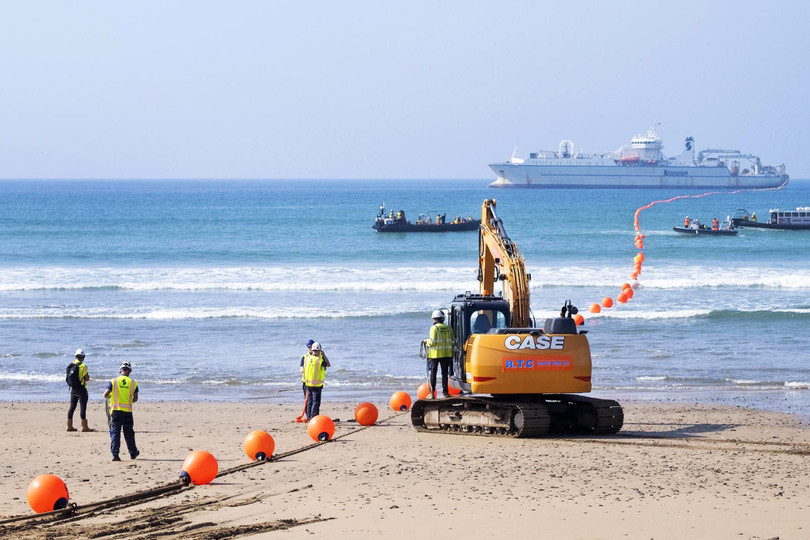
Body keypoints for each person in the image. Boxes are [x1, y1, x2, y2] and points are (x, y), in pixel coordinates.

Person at [103, 361, 139, 462]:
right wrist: (128, 400)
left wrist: (111, 397)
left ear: (120, 370)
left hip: (115, 411)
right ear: (130, 371)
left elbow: (105, 394)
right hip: (127, 411)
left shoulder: (113, 381)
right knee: (129, 433)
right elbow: (135, 398)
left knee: (115, 433)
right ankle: (133, 453)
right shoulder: (133, 383)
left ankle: (115, 454)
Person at [425, 310, 453, 398]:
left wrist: (426, 341)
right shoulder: (449, 328)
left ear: (434, 319)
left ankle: (432, 393)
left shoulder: (434, 328)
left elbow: (433, 342)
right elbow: (452, 340)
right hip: (446, 354)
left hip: (435, 355)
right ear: (442, 318)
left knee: (433, 373)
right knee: (445, 374)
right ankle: (445, 393)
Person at [67, 348, 95, 432]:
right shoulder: (83, 366)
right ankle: (84, 426)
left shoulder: (70, 365)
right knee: (83, 407)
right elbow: (87, 378)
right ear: (83, 357)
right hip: (81, 389)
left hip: (73, 389)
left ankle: (69, 425)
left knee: (72, 407)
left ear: (75, 356)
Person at [302, 342, 330, 419]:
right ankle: (314, 417)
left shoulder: (307, 358)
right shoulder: (319, 360)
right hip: (317, 384)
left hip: (308, 383)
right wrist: (324, 355)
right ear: (318, 351)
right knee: (316, 402)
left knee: (309, 401)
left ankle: (309, 417)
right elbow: (328, 364)